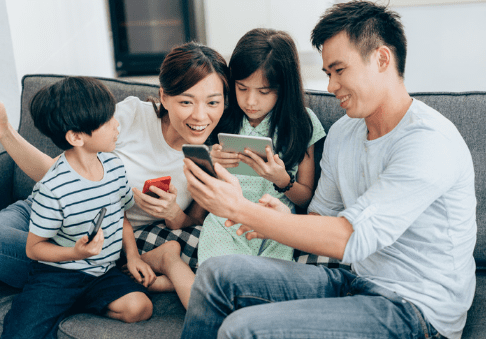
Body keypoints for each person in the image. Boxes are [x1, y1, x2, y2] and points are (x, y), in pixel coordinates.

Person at [180, 1, 476, 338]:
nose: (331, 86)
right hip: (357, 281)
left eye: (339, 70)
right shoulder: (344, 133)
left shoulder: (428, 142)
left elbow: (352, 237)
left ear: (381, 59)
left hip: (415, 308)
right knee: (216, 273)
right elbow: (322, 218)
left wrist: (240, 209)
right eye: (327, 74)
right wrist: (280, 215)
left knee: (243, 329)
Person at [0, 42, 228, 291]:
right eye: (187, 102)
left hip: (82, 246)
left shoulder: (208, 159)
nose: (200, 116)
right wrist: (5, 132)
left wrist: (172, 212)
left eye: (213, 103)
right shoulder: (130, 116)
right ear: (164, 96)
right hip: (36, 214)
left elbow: (193, 225)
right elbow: (52, 174)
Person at [0, 76, 154, 339]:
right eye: (107, 121)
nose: (117, 124)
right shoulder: (53, 188)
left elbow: (122, 218)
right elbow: (34, 248)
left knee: (141, 307)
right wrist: (75, 252)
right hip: (58, 275)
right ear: (76, 137)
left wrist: (133, 257)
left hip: (103, 272)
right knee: (21, 331)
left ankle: (77, 302)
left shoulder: (115, 167)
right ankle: (63, 301)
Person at [199, 27, 325, 264]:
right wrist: (211, 162)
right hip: (226, 220)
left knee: (264, 284)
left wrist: (282, 179)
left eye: (264, 91)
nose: (250, 101)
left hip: (274, 224)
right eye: (242, 88)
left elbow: (306, 198)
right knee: (218, 274)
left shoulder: (301, 123)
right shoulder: (224, 116)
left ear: (283, 88)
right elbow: (202, 185)